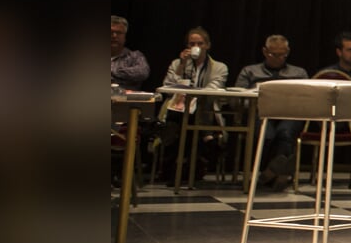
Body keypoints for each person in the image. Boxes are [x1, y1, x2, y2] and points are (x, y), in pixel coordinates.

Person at [153, 26, 230, 180]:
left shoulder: (219, 67)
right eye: (191, 44)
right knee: (180, 119)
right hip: (178, 108)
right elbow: (168, 88)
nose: (196, 47)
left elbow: (211, 90)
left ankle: (180, 169)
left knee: (191, 115)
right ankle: (203, 140)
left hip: (204, 110)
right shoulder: (177, 64)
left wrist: (191, 94)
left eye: (200, 43)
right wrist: (182, 66)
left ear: (208, 45)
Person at [235, 34, 309, 187]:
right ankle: (277, 173)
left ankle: (269, 174)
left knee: (285, 133)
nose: (278, 58)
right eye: (273, 54)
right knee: (267, 135)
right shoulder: (250, 71)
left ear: (287, 52)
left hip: (289, 114)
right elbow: (236, 100)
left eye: (283, 54)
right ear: (264, 51)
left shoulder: (299, 73)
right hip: (260, 113)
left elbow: (308, 98)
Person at [111, 15, 149, 89]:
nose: (114, 36)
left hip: (124, 99)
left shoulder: (135, 56)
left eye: (119, 33)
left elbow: (142, 73)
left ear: (125, 36)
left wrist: (112, 71)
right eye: (111, 32)